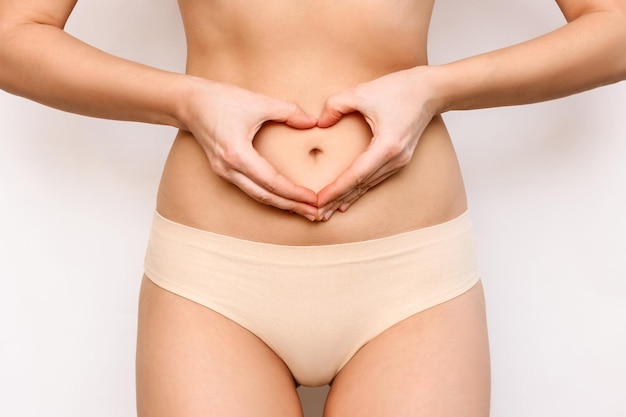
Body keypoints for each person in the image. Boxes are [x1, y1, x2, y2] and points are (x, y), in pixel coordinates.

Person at [1, 1, 625, 416]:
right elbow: (11, 33)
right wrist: (184, 101)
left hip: (410, 286)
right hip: (214, 285)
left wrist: (438, 87)